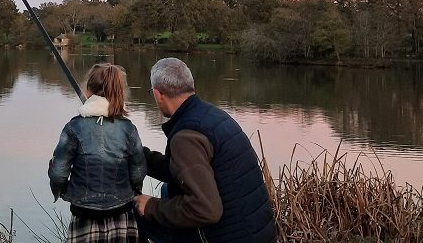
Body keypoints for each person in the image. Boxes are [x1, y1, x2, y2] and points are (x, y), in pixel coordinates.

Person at [134, 57, 276, 243]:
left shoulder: (187, 136)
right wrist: (138, 155)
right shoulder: (212, 116)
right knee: (169, 191)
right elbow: (185, 172)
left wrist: (151, 207)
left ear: (157, 94)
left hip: (224, 237)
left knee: (136, 217)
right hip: (256, 234)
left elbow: (205, 209)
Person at [49, 63, 147, 243]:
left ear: (88, 91)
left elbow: (58, 173)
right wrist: (134, 191)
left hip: (84, 214)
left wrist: (62, 192)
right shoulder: (128, 129)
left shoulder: (74, 127)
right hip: (122, 212)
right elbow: (138, 171)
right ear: (119, 92)